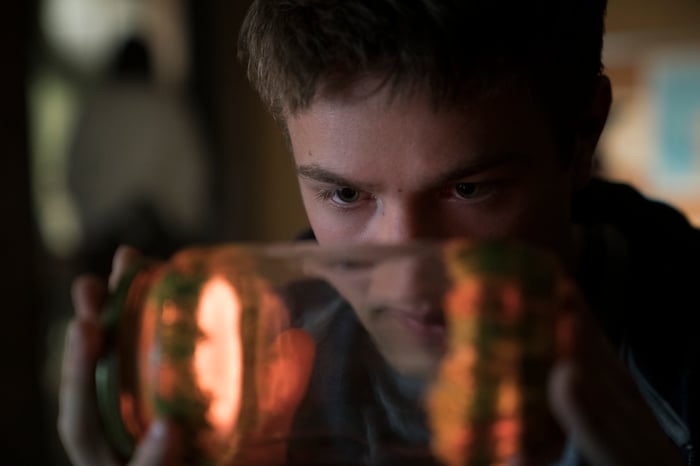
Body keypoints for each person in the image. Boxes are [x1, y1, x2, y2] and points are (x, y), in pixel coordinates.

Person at [59, 0, 699, 465]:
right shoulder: (252, 381)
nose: (405, 272)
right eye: (345, 195)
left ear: (583, 134)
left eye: (469, 189)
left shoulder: (675, 375)